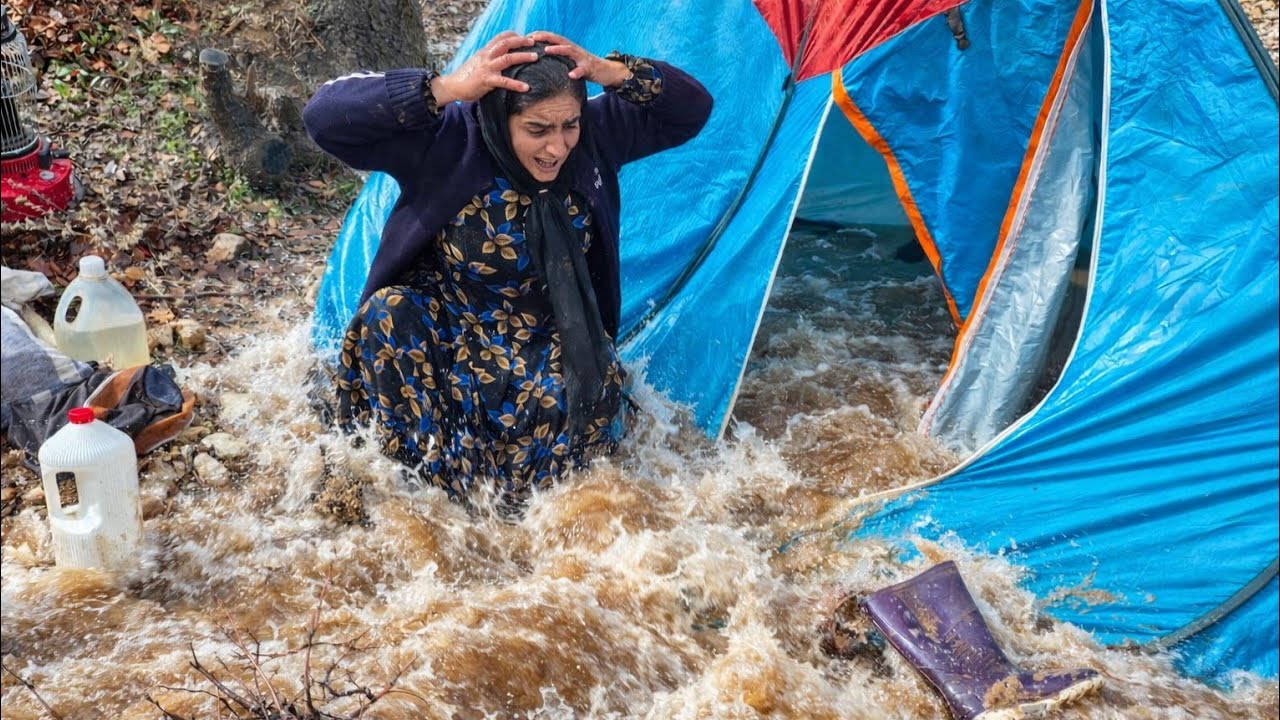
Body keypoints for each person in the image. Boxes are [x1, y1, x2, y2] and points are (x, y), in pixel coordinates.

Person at [303, 31, 712, 509]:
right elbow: (324, 118)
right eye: (537, 130)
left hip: (546, 336)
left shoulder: (596, 137)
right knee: (387, 315)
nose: (557, 148)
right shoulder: (449, 138)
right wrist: (448, 87)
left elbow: (692, 109)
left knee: (565, 453)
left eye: (568, 127)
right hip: (451, 326)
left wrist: (611, 72)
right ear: (502, 116)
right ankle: (416, 500)